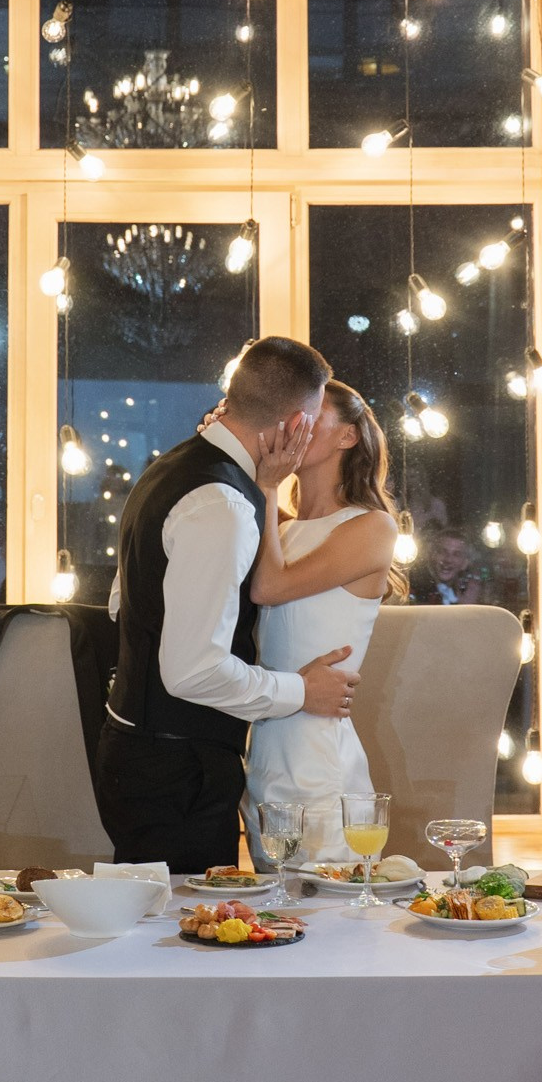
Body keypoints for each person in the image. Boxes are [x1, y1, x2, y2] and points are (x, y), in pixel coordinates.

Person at [95, 334, 355, 875]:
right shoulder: (223, 504)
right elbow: (193, 673)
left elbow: (124, 602)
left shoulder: (171, 467)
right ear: (292, 425)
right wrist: (301, 690)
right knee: (186, 948)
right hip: (176, 768)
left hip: (140, 751)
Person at [245, 382, 402, 860]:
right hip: (266, 747)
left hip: (318, 751)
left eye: (310, 415)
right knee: (273, 921)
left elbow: (267, 588)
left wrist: (267, 486)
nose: (294, 425)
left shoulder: (372, 527)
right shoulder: (282, 529)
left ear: (347, 437)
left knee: (329, 914)